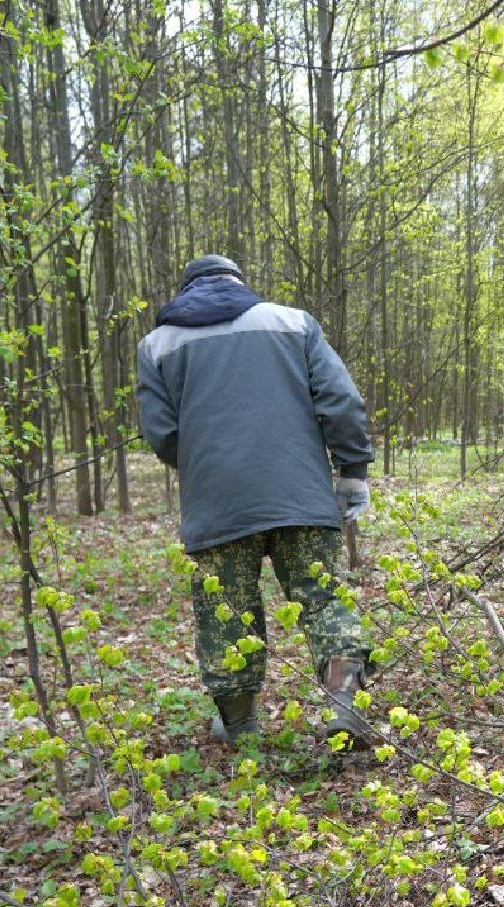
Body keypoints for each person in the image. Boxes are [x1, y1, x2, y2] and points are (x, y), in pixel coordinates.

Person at [136, 254, 375, 748]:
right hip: (302, 496)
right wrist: (352, 471)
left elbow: (162, 434)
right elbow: (341, 401)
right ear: (240, 284)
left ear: (186, 291)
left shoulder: (157, 345)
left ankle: (241, 725)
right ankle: (343, 702)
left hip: (217, 506)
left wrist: (212, 466)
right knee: (325, 599)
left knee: (225, 611)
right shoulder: (293, 324)